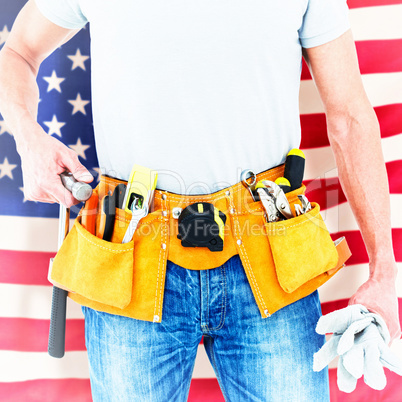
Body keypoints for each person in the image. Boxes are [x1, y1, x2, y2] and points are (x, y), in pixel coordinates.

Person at [0, 0, 400, 400]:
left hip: (270, 255)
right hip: (131, 257)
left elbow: (349, 117)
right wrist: (27, 136)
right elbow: (17, 52)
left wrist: (384, 274)